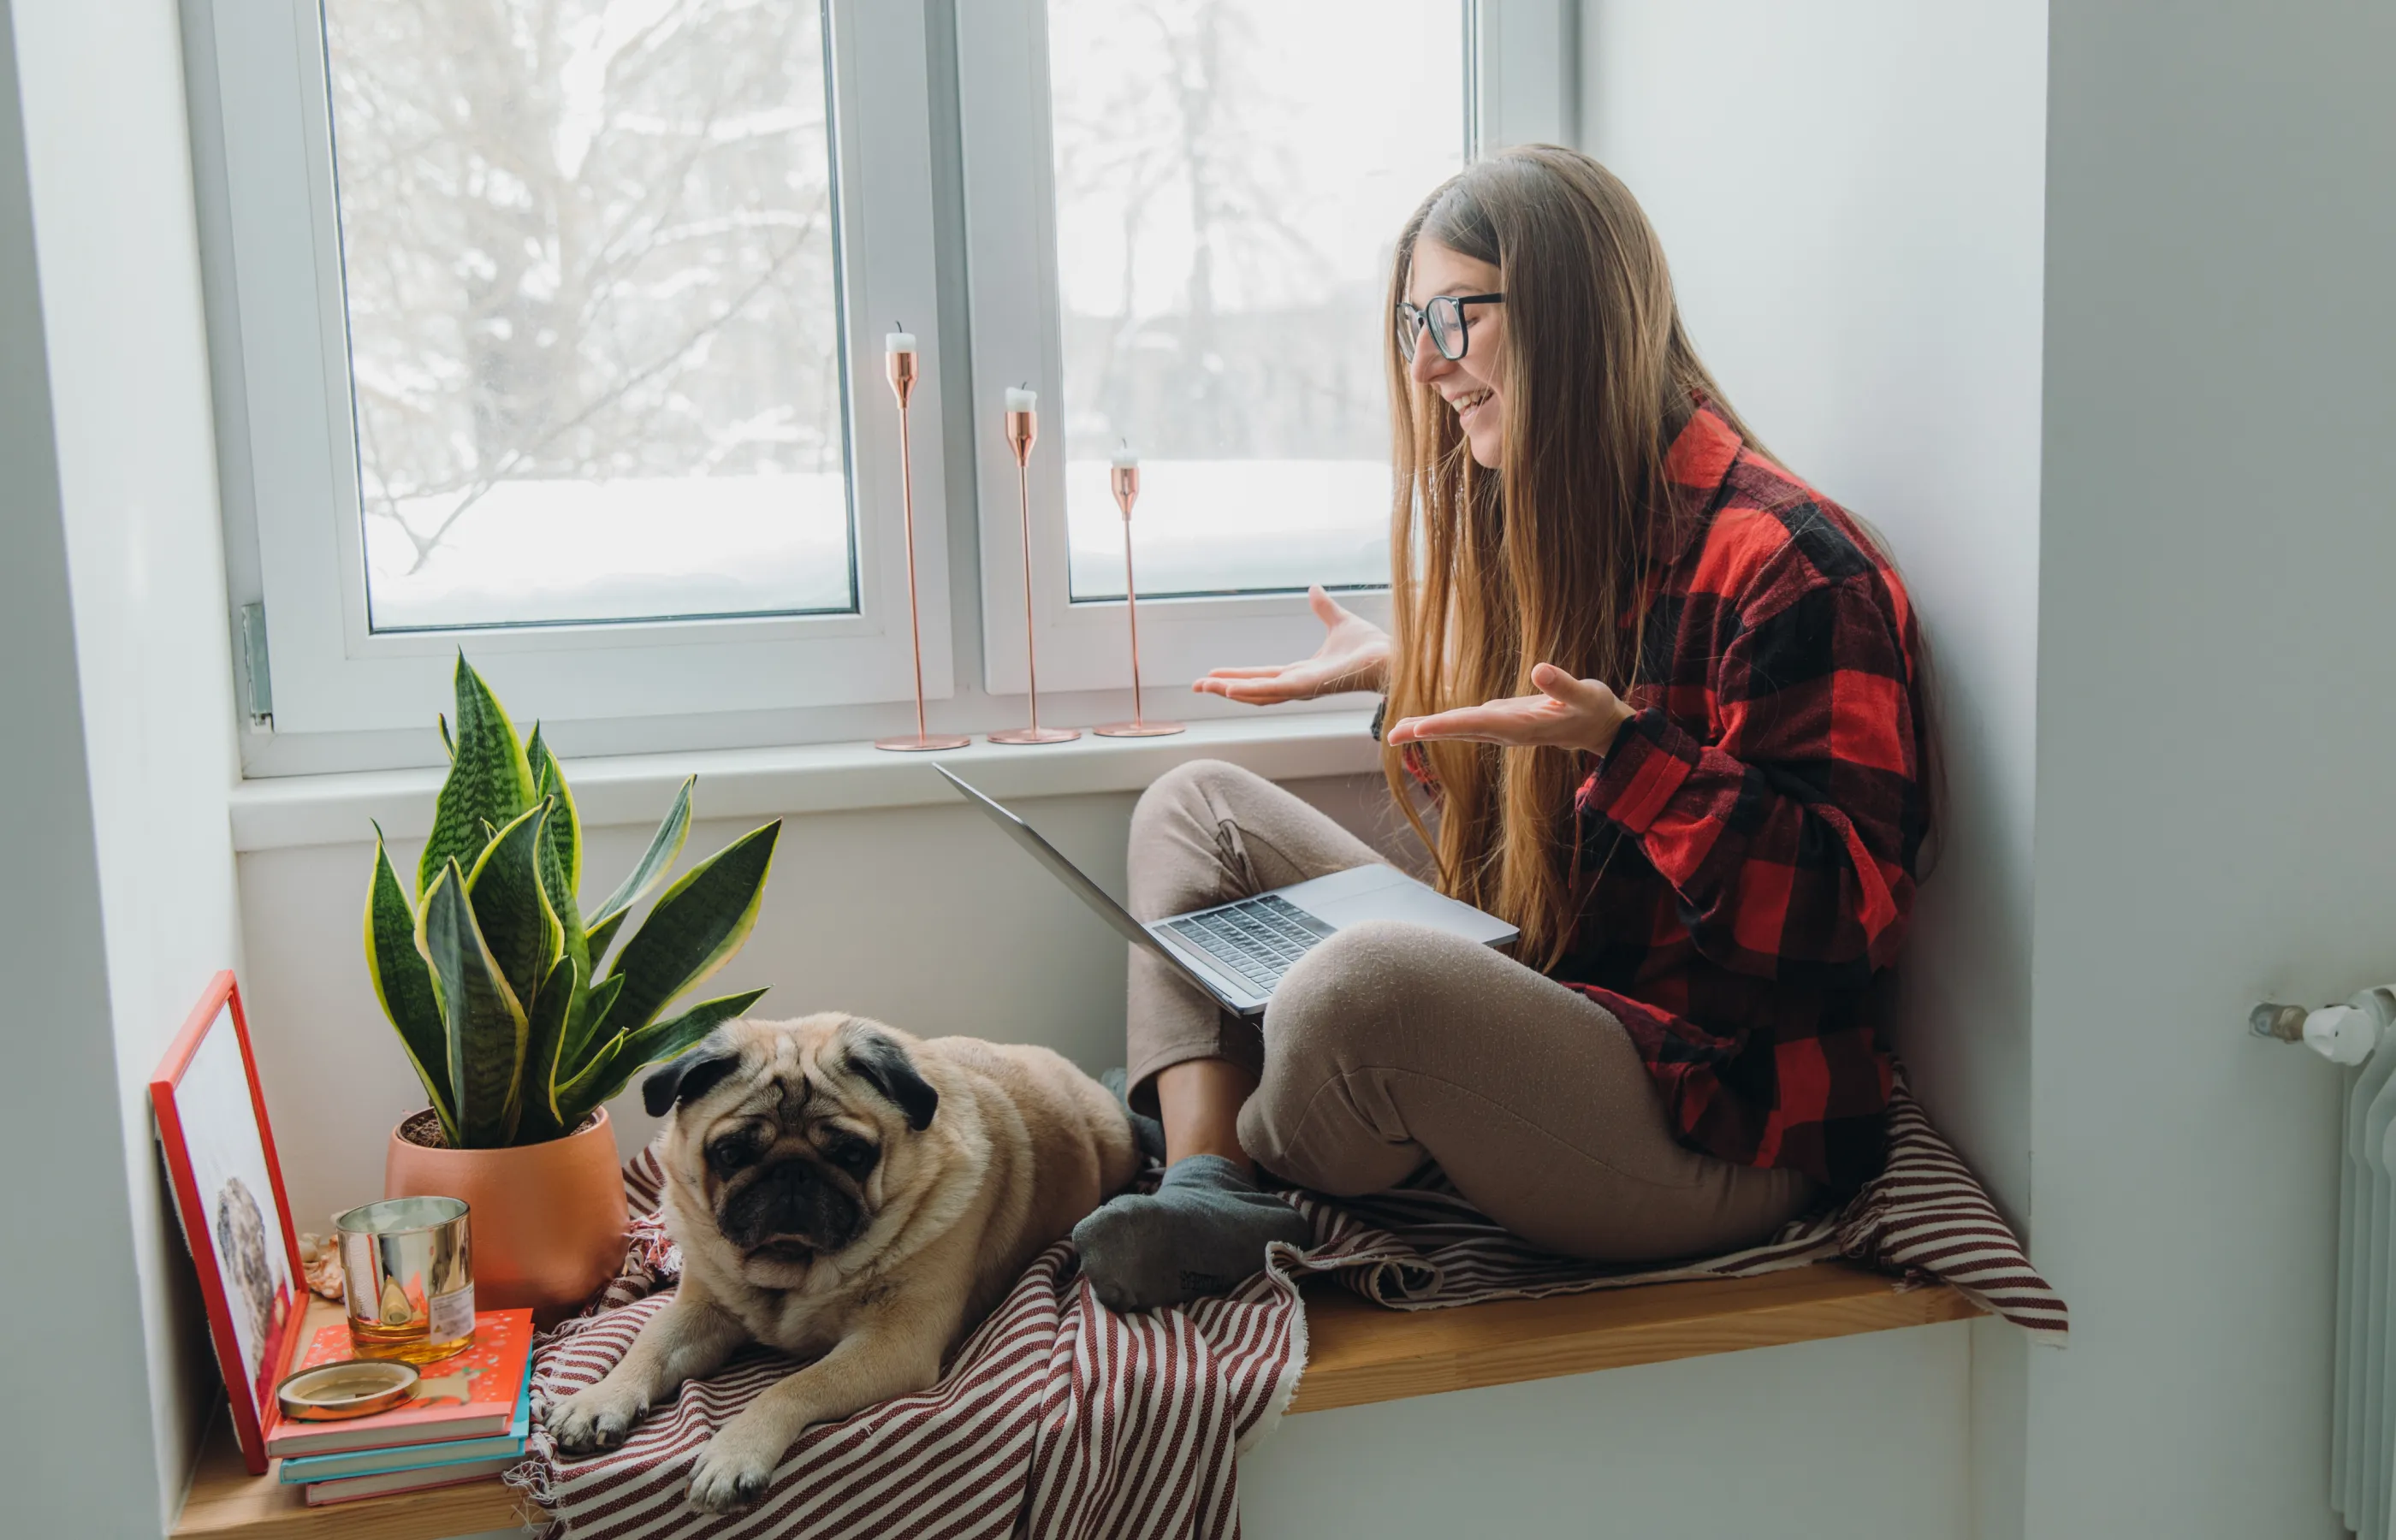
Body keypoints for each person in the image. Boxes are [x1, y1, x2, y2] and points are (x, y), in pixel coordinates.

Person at [1071, 145, 1933, 1313]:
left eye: (1453, 317)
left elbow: (1844, 925)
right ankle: (1215, 1185)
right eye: (1411, 323)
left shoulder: (1798, 569)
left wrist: (1630, 758)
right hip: (1573, 1012)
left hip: (1718, 1128)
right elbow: (1528, 846)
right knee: (1196, 804)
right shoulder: (1566, 525)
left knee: (1363, 988)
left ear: (1572, 316)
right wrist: (1406, 675)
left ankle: (1236, 1119)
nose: (1425, 363)